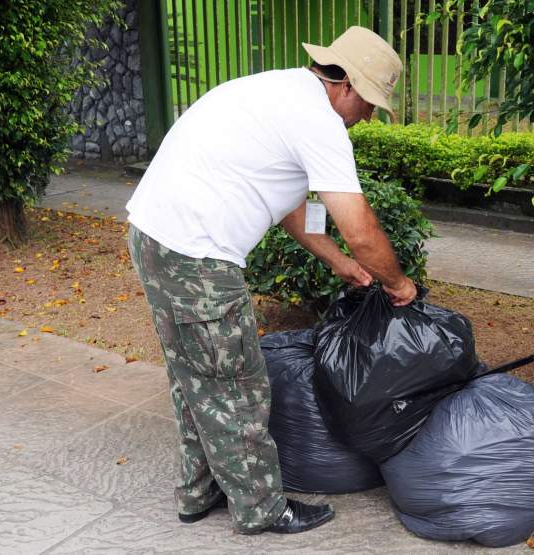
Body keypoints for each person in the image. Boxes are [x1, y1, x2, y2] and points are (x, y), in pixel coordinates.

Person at [125, 26, 417, 536]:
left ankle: (198, 493)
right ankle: (261, 509)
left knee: (195, 376)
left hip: (154, 237)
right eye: (369, 102)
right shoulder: (319, 122)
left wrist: (338, 264)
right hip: (197, 256)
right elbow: (361, 228)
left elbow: (292, 210)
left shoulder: (279, 90)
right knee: (238, 386)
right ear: (344, 84)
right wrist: (398, 284)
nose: (369, 116)